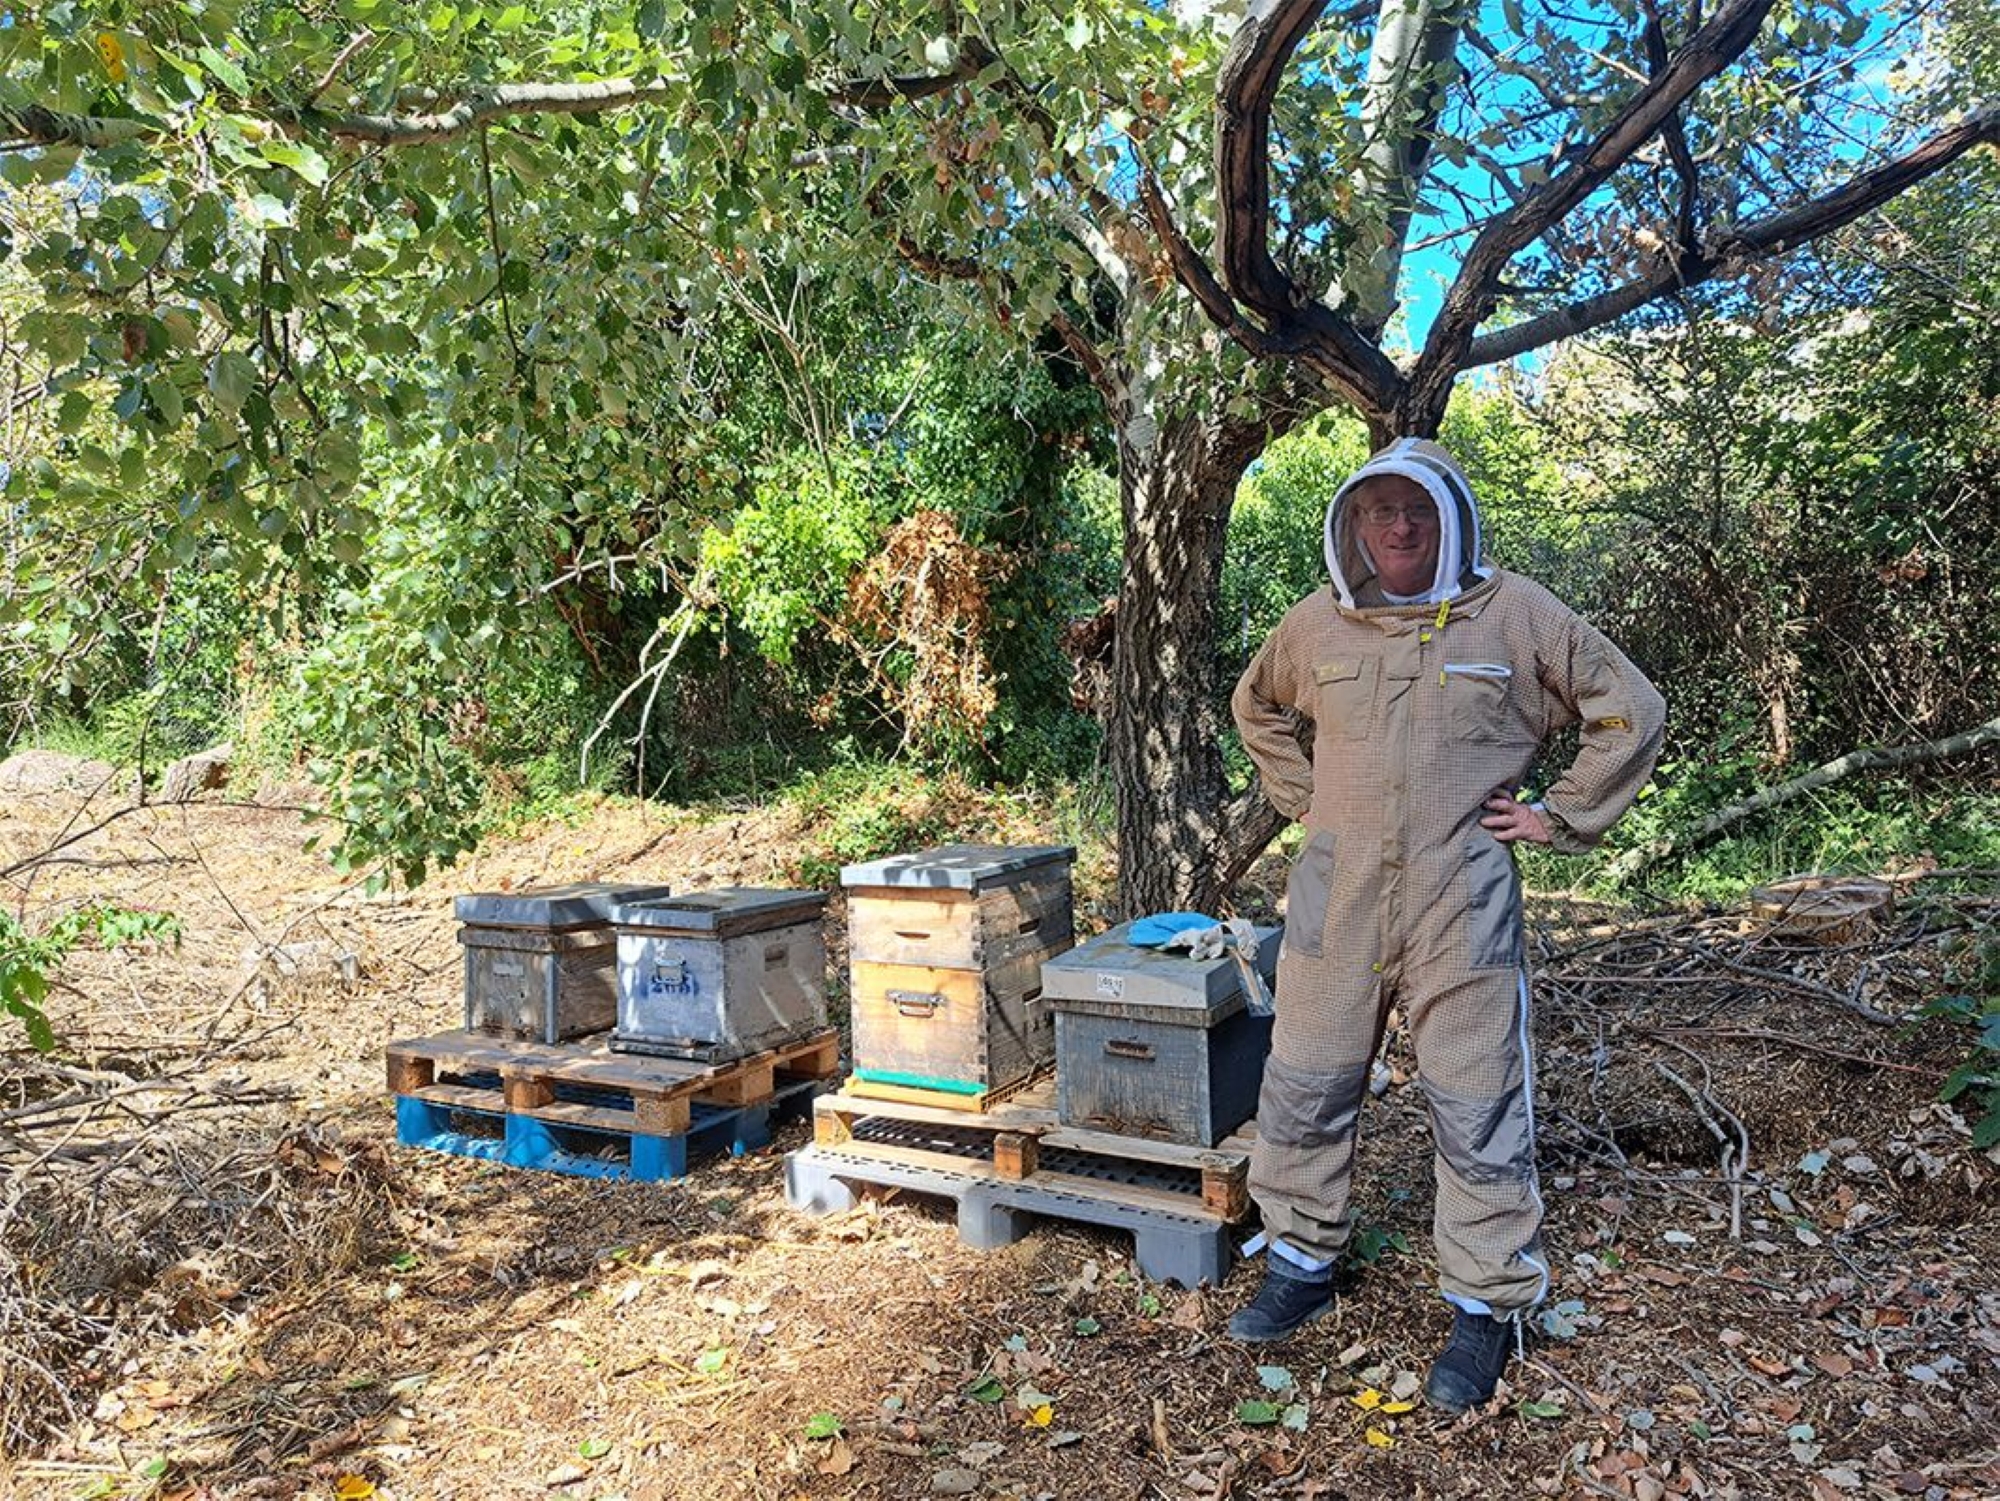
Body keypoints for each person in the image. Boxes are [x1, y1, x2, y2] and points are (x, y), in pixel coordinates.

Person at [1226, 438, 1665, 1413]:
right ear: (1353, 522)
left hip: (1458, 893)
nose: (1398, 527)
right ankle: (1299, 1260)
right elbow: (1255, 704)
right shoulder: (1317, 622)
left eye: (1416, 510)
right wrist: (1303, 796)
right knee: (1305, 1079)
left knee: (1476, 1096)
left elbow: (1629, 708)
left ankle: (1484, 1304)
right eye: (1379, 509)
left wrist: (1558, 814)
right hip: (1335, 892)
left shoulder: (1515, 614)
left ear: (1451, 518)